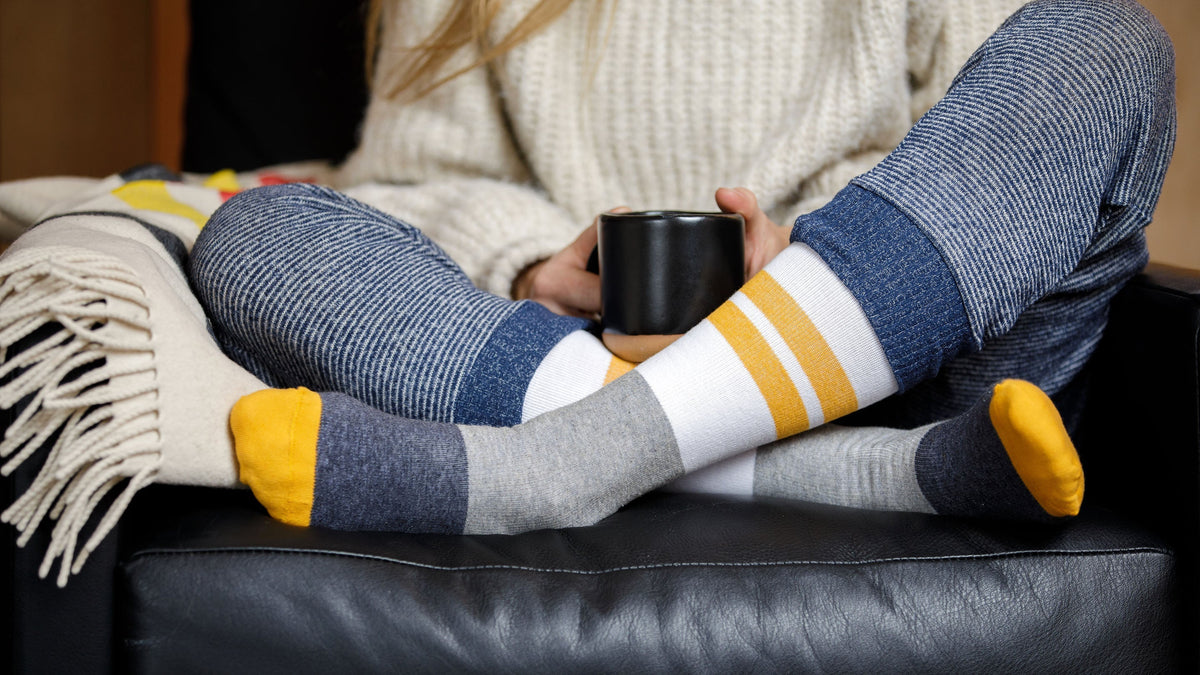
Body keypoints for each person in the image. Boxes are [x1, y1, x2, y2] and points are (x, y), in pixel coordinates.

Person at [0, 0, 1175, 583]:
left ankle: (563, 468)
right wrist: (527, 262)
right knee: (256, 233)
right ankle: (860, 475)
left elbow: (986, 141)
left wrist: (809, 257)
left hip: (907, 351)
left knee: (1107, 43)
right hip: (559, 355)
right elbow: (410, 182)